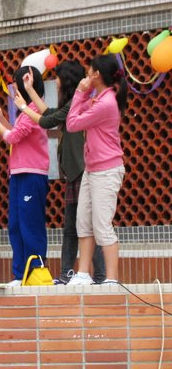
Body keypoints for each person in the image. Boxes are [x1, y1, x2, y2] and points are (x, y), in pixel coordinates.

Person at [13, 62, 106, 284]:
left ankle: (99, 275)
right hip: (74, 173)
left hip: (83, 171)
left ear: (66, 80)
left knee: (86, 226)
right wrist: (29, 91)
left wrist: (24, 106)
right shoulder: (72, 104)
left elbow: (47, 120)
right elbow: (49, 113)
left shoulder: (77, 103)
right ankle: (67, 275)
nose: (55, 82)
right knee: (72, 227)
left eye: (58, 77)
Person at [0, 66, 49, 287]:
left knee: (30, 224)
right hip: (19, 173)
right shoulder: (26, 111)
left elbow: (12, 138)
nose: (15, 91)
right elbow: (15, 134)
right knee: (16, 225)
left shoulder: (34, 110)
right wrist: (1, 118)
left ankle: (35, 271)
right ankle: (20, 274)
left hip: (32, 173)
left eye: (17, 86)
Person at [65, 53, 127, 286]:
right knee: (84, 223)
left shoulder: (106, 102)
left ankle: (111, 278)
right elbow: (76, 115)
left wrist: (79, 92)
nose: (87, 74)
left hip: (107, 170)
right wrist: (84, 94)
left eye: (89, 71)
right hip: (92, 169)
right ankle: (83, 273)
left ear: (97, 74)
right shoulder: (98, 98)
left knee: (102, 225)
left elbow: (72, 124)